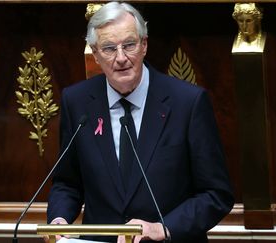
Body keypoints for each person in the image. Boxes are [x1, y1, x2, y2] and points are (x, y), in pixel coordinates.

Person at [47, 2, 234, 242]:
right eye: (109, 48)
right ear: (95, 53)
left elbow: (216, 194)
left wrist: (163, 228)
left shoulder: (188, 102)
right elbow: (67, 183)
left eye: (129, 45)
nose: (121, 58)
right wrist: (59, 220)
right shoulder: (77, 102)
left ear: (144, 45)